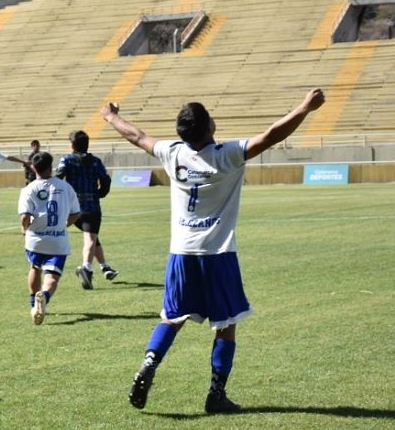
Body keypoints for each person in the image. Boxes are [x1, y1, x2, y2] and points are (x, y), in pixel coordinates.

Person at [100, 88, 325, 413]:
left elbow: (137, 136)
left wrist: (110, 117)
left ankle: (150, 361)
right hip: (218, 253)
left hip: (181, 253)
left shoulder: (172, 153)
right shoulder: (227, 155)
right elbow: (272, 135)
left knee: (171, 317)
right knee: (226, 323)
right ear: (209, 127)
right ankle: (216, 394)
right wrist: (305, 107)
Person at [19, 151, 80, 325]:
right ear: (51, 167)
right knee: (52, 276)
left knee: (35, 267)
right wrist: (62, 225)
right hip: (58, 240)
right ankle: (44, 296)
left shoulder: (28, 189)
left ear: (33, 167)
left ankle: (33, 302)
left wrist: (25, 230)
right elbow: (76, 213)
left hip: (35, 239)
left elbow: (25, 217)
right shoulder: (66, 187)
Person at [55, 130, 118, 290]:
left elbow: (58, 178)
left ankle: (104, 266)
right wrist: (100, 193)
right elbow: (105, 179)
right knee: (90, 238)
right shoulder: (96, 161)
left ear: (72, 145)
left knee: (92, 236)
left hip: (72, 208)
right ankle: (86, 268)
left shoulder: (66, 160)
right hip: (91, 206)